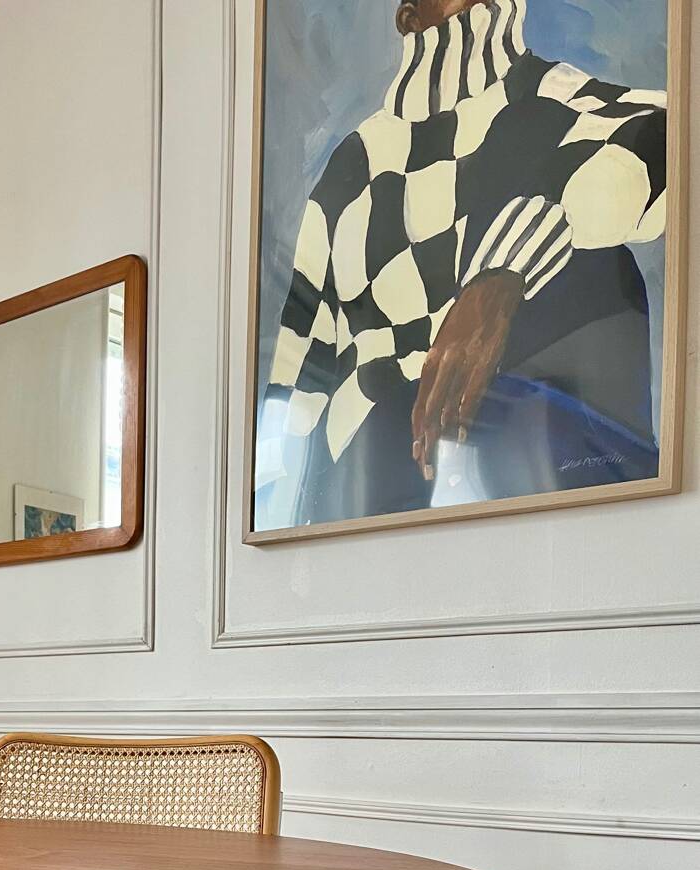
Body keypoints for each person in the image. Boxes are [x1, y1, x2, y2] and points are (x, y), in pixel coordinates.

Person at [260, 0, 667, 524]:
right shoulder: (351, 171)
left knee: (598, 269)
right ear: (408, 18)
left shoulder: (559, 98)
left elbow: (668, 139)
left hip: (558, 510)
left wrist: (503, 274)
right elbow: (297, 394)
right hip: (373, 527)